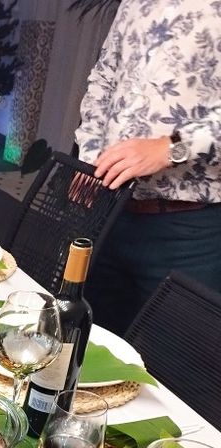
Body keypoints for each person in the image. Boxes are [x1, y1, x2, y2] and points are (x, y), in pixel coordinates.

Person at [75, 0, 221, 336]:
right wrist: (92, 156)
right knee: (86, 350)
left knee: (171, 373)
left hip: (187, 231)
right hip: (109, 212)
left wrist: (172, 148)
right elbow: (104, 77)